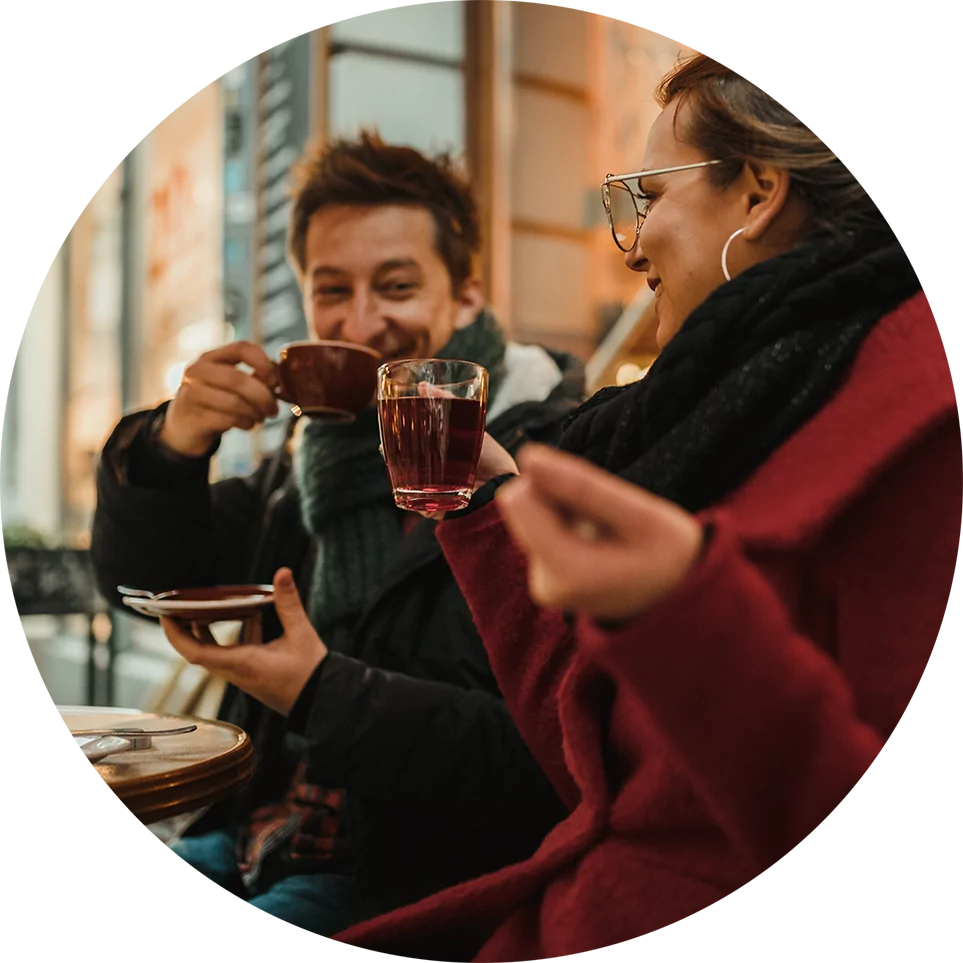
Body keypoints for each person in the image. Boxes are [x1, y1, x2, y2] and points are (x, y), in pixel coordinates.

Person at [278, 52, 957, 961]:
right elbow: (598, 753)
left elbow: (891, 848)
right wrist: (482, 507)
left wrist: (681, 611)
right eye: (331, 290)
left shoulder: (909, 400)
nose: (627, 242)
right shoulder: (705, 406)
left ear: (756, 193)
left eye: (644, 195)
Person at [90, 131, 584, 947]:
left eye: (395, 286)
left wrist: (322, 689)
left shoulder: (547, 456)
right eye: (331, 291)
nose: (360, 324)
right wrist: (169, 448)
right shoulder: (307, 460)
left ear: (465, 293)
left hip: (405, 876)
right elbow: (144, 578)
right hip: (254, 833)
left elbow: (544, 754)